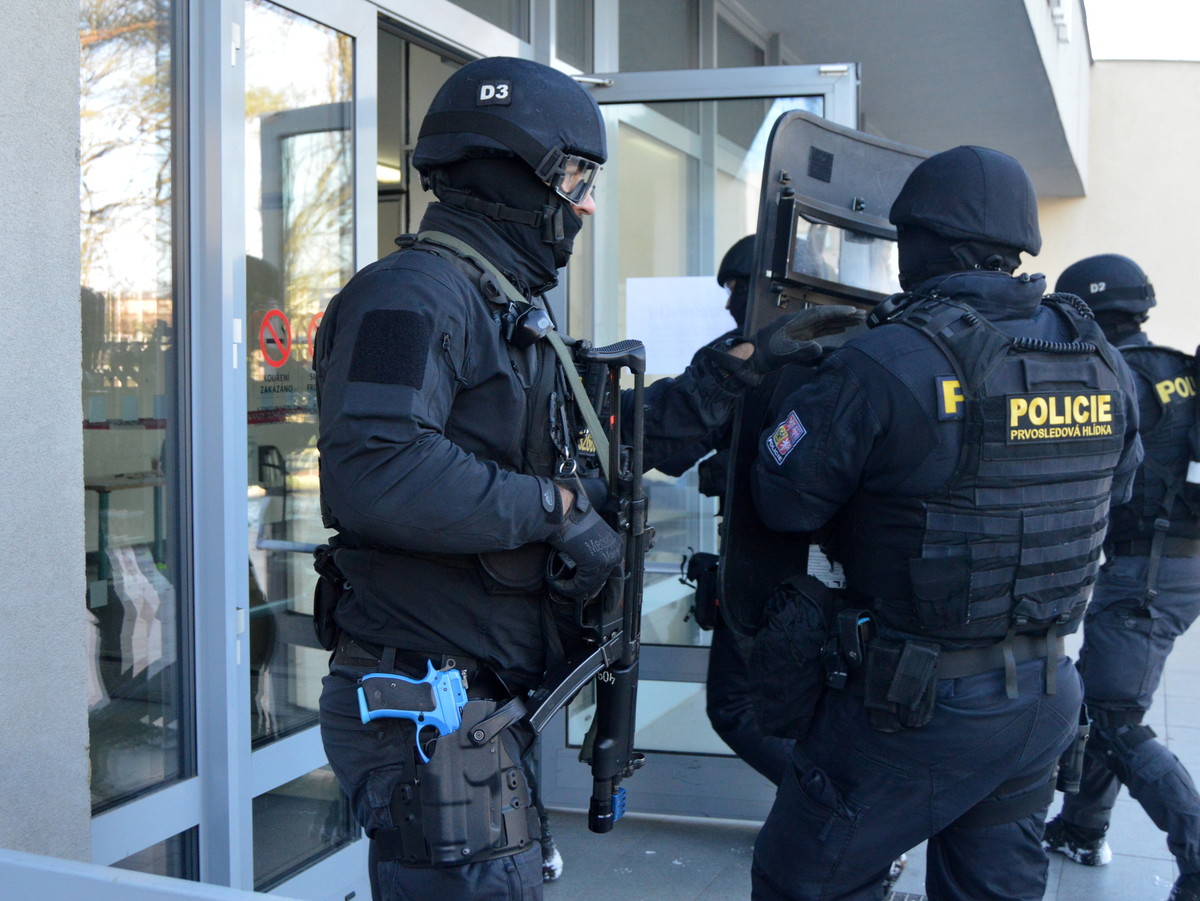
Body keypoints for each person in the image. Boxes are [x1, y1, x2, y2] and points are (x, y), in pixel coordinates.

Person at [311, 57, 855, 901]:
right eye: (574, 177)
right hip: (424, 704)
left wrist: (733, 372)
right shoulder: (411, 296)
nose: (586, 204)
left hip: (478, 701)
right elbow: (378, 471)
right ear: (510, 172)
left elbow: (606, 452)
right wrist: (556, 509)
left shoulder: (504, 310)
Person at [748, 145, 1143, 901]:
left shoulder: (888, 357)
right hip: (1046, 693)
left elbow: (784, 502)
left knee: (803, 879)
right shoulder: (1099, 357)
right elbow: (1114, 491)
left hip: (913, 705)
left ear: (929, 243)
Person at [1042, 254, 1200, 901]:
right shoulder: (1175, 370)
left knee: (1112, 715)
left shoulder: (1116, 376)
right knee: (1101, 696)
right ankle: (1082, 827)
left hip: (1147, 571)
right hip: (1175, 562)